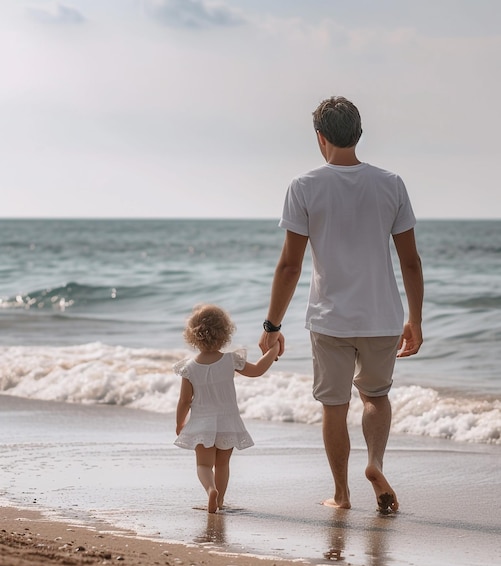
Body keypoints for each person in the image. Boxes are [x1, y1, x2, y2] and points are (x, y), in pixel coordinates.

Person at [259, 96, 423, 514]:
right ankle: (374, 464)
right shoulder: (392, 183)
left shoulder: (304, 186)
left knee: (334, 406)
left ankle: (342, 494)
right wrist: (415, 320)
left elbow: (290, 266)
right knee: (375, 396)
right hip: (383, 317)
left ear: (320, 138)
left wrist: (272, 325)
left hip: (330, 320)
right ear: (359, 135)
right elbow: (410, 261)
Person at [174, 303, 280, 513]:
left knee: (204, 466)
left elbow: (185, 400)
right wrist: (274, 349)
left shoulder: (189, 368)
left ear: (192, 335)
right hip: (227, 422)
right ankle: (220, 501)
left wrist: (180, 423)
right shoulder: (230, 360)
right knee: (222, 465)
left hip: (202, 423)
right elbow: (258, 370)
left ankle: (210, 491)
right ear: (225, 333)